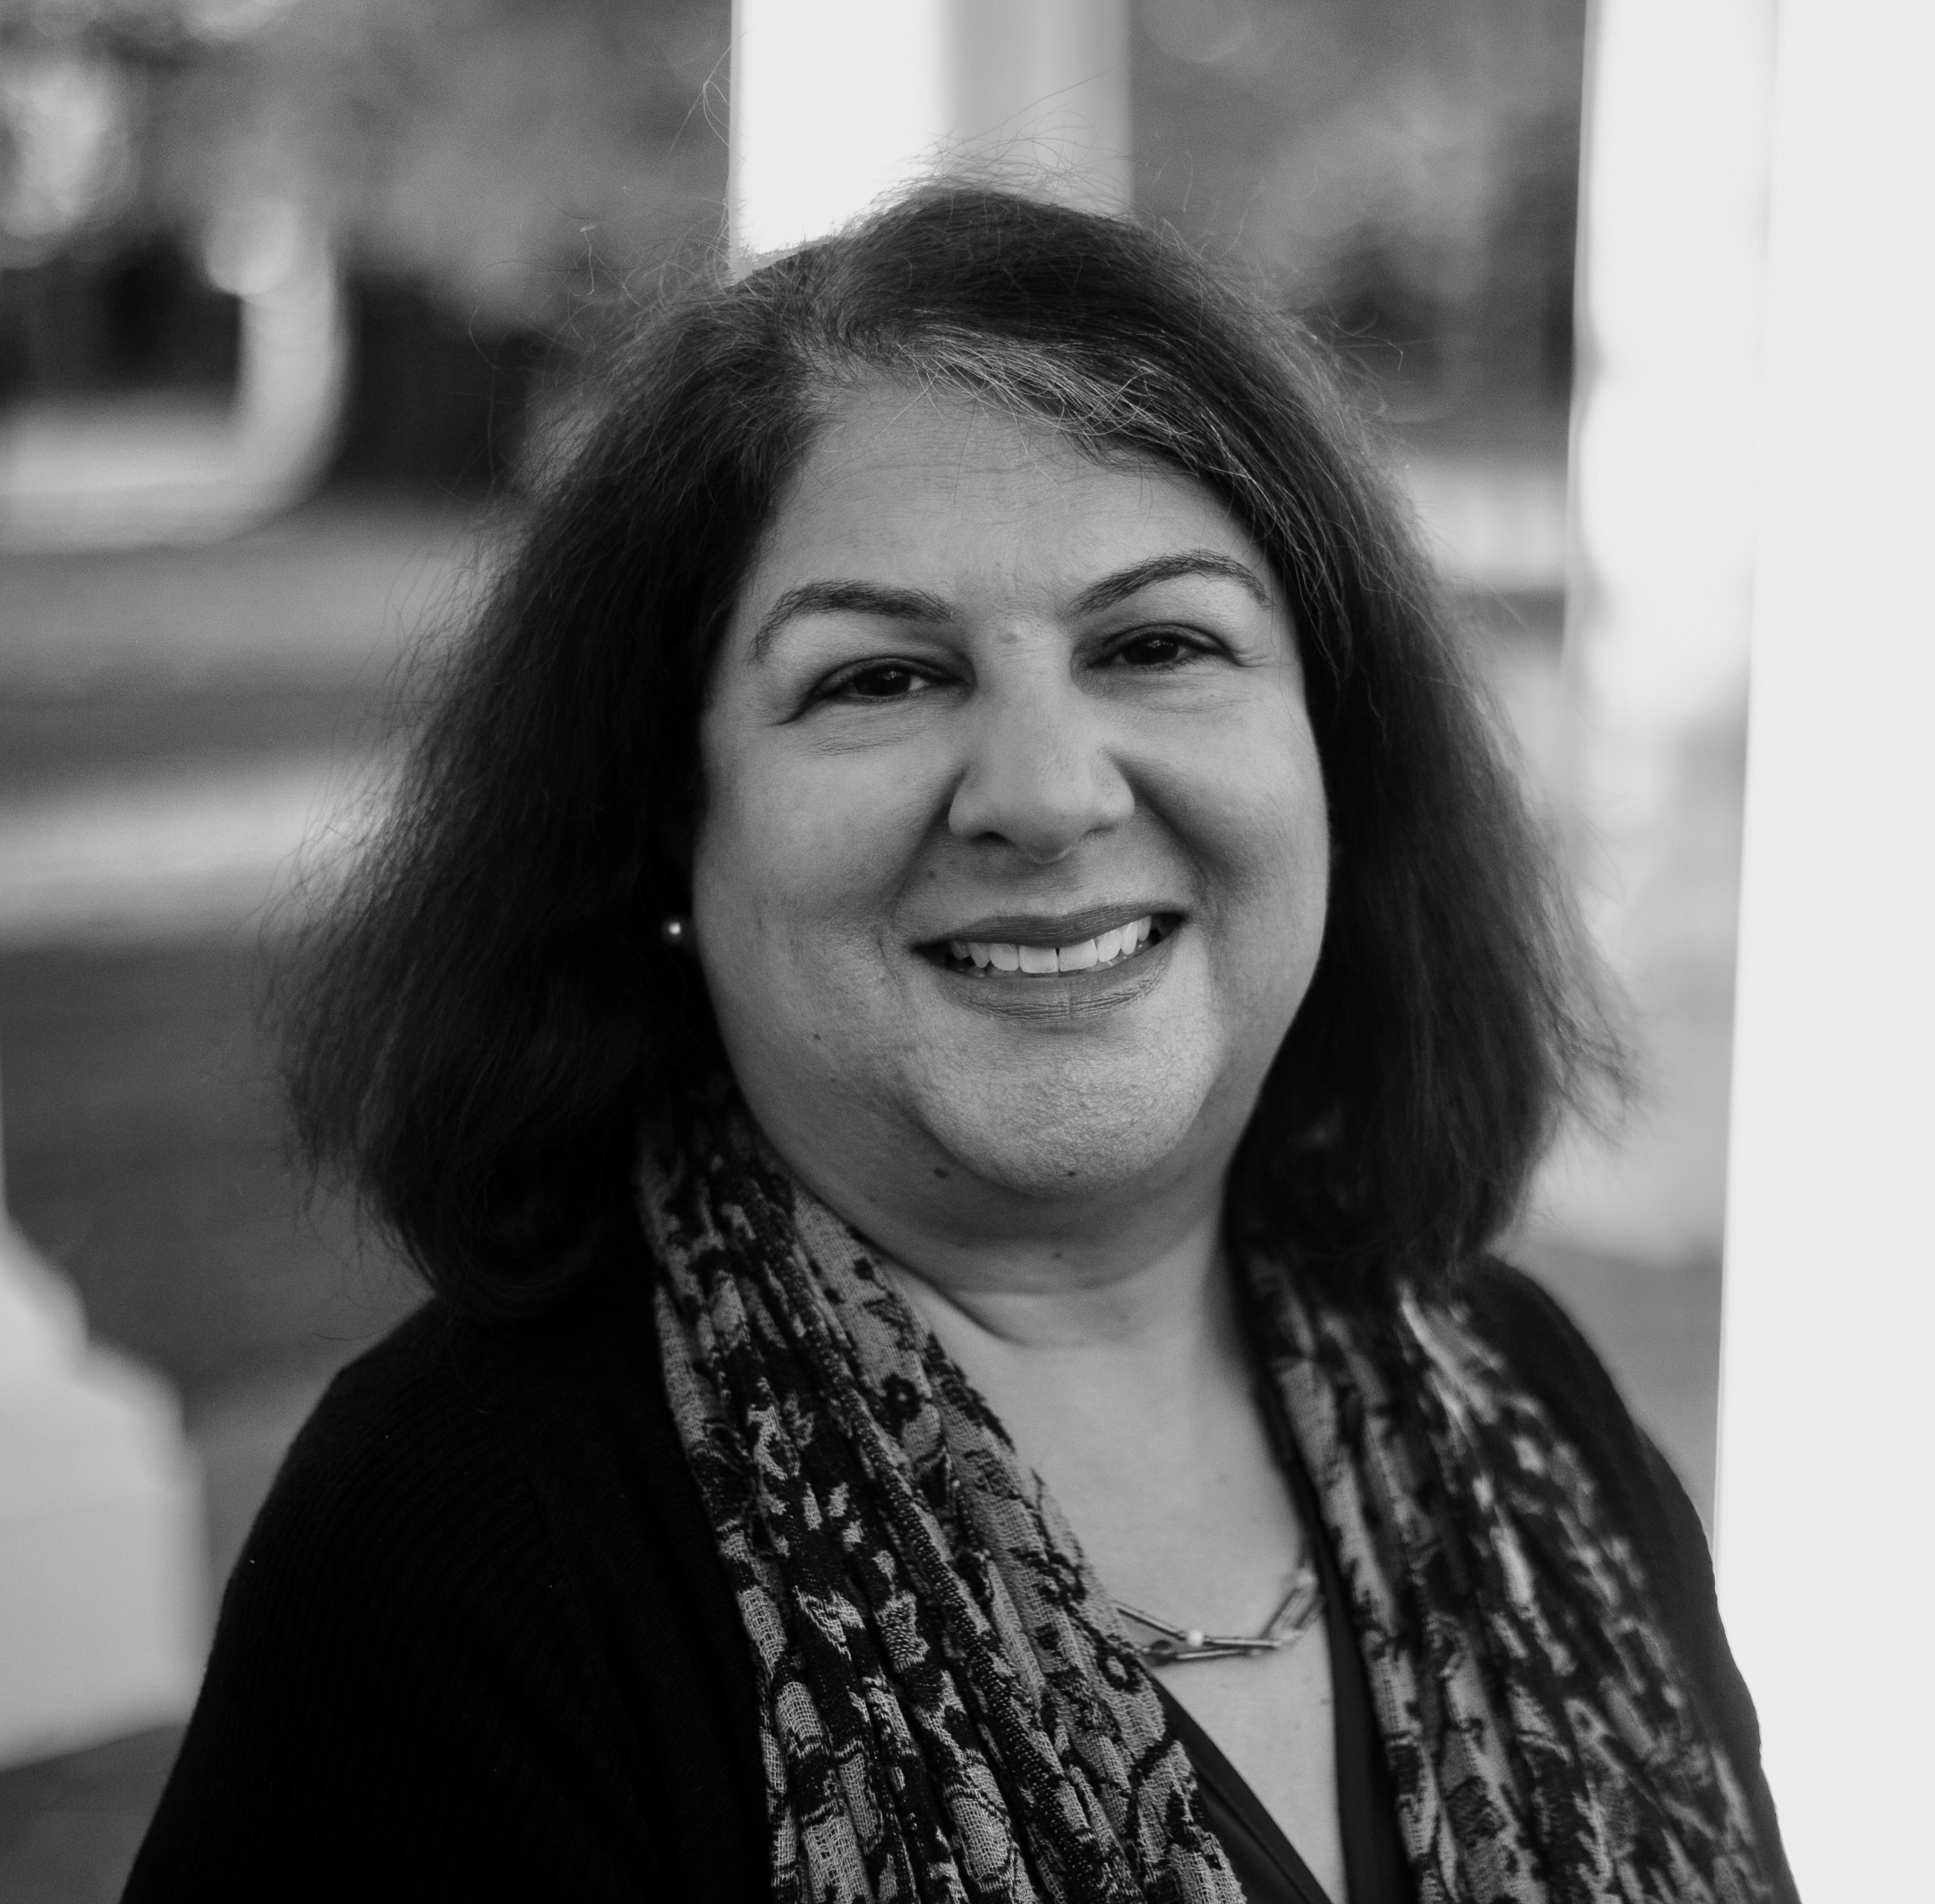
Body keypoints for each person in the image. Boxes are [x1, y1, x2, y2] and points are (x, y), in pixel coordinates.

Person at [125, 186, 1796, 1904]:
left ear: (1335, 770)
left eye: (1158, 644)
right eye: (879, 679)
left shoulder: (1515, 1397)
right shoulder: (465, 1543)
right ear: (662, 825)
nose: (1048, 794)